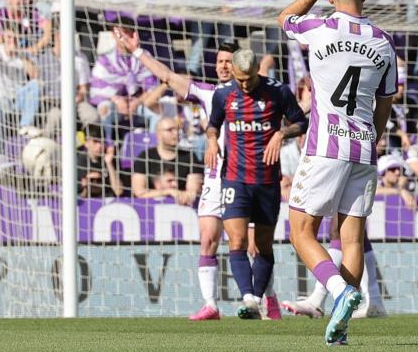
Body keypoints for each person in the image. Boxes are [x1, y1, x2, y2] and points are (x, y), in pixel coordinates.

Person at [278, 0, 398, 345]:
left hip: (325, 145)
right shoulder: (383, 42)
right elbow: (385, 101)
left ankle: (340, 291)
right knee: (351, 240)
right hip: (364, 147)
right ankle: (339, 328)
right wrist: (373, 137)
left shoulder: (319, 29)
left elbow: (285, 18)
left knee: (301, 232)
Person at [114, 27, 237, 321]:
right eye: (219, 61)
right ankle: (211, 304)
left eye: (228, 61)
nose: (222, 66)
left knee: (251, 245)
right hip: (215, 179)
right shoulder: (209, 94)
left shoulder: (261, 95)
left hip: (247, 177)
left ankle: (264, 302)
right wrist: (137, 52)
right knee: (208, 238)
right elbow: (168, 77)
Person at [203, 47, 306, 321]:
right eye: (240, 79)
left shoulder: (278, 91)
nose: (245, 84)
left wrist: (281, 133)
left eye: (250, 78)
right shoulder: (224, 94)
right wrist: (212, 139)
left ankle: (257, 298)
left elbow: (301, 122)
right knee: (236, 240)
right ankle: (249, 298)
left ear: (257, 70)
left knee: (263, 245)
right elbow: (213, 124)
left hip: (267, 180)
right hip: (235, 178)